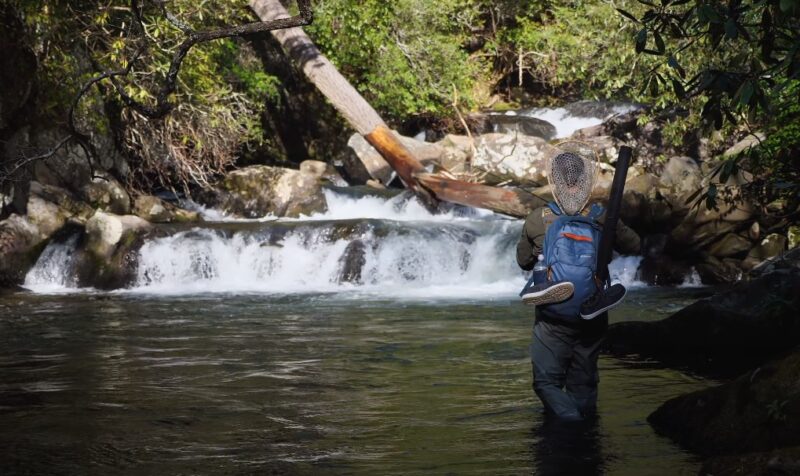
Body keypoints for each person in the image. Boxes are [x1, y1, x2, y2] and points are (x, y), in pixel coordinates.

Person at [516, 151, 640, 421]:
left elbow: (523, 261)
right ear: (586, 180)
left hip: (552, 314)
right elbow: (635, 245)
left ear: (555, 180)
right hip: (593, 310)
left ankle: (569, 420)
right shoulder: (601, 216)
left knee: (546, 382)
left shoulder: (539, 217)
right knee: (584, 382)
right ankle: (586, 436)